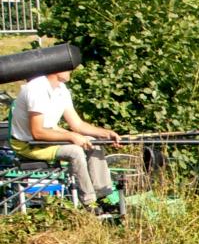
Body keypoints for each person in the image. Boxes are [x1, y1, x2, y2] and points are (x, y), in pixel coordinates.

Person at [8, 67, 120, 208]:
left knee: (93, 143)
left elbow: (77, 124)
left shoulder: (61, 89)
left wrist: (105, 133)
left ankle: (103, 196)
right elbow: (37, 132)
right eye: (66, 68)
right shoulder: (36, 89)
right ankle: (89, 203)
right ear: (55, 69)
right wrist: (71, 136)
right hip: (28, 144)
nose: (70, 71)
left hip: (46, 138)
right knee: (75, 151)